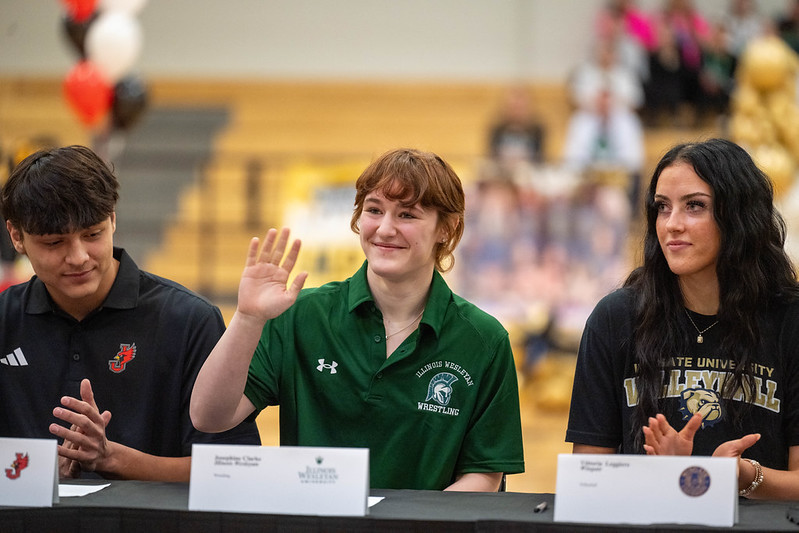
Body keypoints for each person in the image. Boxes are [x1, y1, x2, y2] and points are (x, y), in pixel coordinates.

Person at [190, 148, 525, 491]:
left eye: (407, 215)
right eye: (374, 210)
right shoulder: (300, 315)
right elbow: (209, 418)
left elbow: (484, 475)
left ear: (447, 228)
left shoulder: (484, 340)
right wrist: (247, 318)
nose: (384, 229)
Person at [0, 145, 260, 481]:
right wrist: (35, 472)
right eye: (54, 243)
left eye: (92, 234)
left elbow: (234, 469)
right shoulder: (5, 321)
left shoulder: (189, 321)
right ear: (16, 237)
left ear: (112, 219)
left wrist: (112, 459)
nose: (78, 256)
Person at [565, 138, 799, 500]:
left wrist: (740, 476)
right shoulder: (615, 319)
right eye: (662, 207)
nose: (671, 225)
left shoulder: (790, 322)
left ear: (738, 216)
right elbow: (587, 482)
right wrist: (669, 476)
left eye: (694, 206)